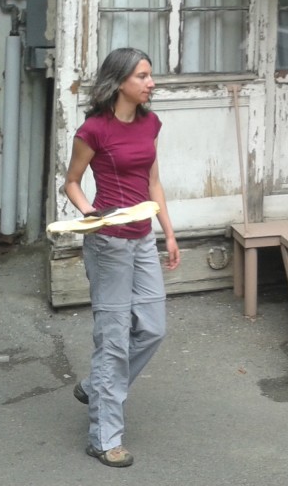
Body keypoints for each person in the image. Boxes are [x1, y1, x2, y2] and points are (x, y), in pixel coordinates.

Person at [63, 47, 180, 468]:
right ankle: (104, 437)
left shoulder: (150, 123)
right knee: (112, 340)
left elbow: (153, 181)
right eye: (143, 76)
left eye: (150, 76)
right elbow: (72, 183)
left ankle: (96, 386)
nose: (151, 83)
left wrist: (168, 232)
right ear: (120, 82)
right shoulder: (93, 130)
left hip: (143, 239)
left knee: (151, 328)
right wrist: (89, 213)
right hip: (108, 243)